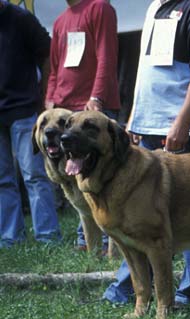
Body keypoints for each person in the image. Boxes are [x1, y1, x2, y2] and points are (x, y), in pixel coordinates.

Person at [102, 0, 190, 306]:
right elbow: (147, 68)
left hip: (185, 128)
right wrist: (135, 116)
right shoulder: (155, 6)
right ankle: (129, 290)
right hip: (150, 125)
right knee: (139, 219)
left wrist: (183, 122)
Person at [46, 0, 120, 253]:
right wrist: (50, 100)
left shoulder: (99, 7)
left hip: (91, 109)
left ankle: (112, 239)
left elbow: (106, 55)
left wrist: (97, 97)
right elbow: (55, 67)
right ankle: (85, 239)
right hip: (66, 110)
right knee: (77, 176)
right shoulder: (60, 20)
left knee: (105, 178)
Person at [0, 1, 61, 247]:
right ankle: (9, 237)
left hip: (24, 108)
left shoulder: (20, 18)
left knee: (34, 175)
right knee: (2, 179)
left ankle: (48, 237)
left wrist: (43, 95)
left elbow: (48, 55)